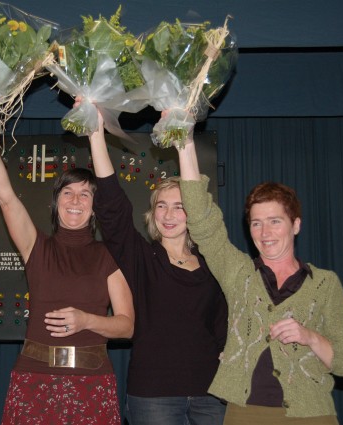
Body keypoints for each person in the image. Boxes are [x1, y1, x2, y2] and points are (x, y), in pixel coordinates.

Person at [173, 119, 343, 424]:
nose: (265, 232)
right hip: (245, 413)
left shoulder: (324, 284)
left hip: (312, 413)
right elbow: (202, 221)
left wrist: (310, 337)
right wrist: (183, 141)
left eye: (275, 221)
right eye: (256, 222)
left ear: (296, 225)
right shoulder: (238, 273)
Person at [0, 98, 135, 425]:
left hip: (92, 381)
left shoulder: (108, 254)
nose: (76, 200)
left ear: (96, 207)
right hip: (33, 379)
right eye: (68, 192)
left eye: (86, 194)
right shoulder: (36, 246)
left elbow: (127, 325)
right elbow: (5, 197)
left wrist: (88, 321)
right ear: (56, 202)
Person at [83, 101, 228, 425]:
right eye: (161, 206)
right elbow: (113, 209)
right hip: (154, 396)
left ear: (193, 215)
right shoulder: (143, 259)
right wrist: (95, 134)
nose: (169, 214)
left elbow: (222, 325)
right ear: (153, 214)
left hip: (212, 394)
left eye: (179, 206)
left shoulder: (212, 264)